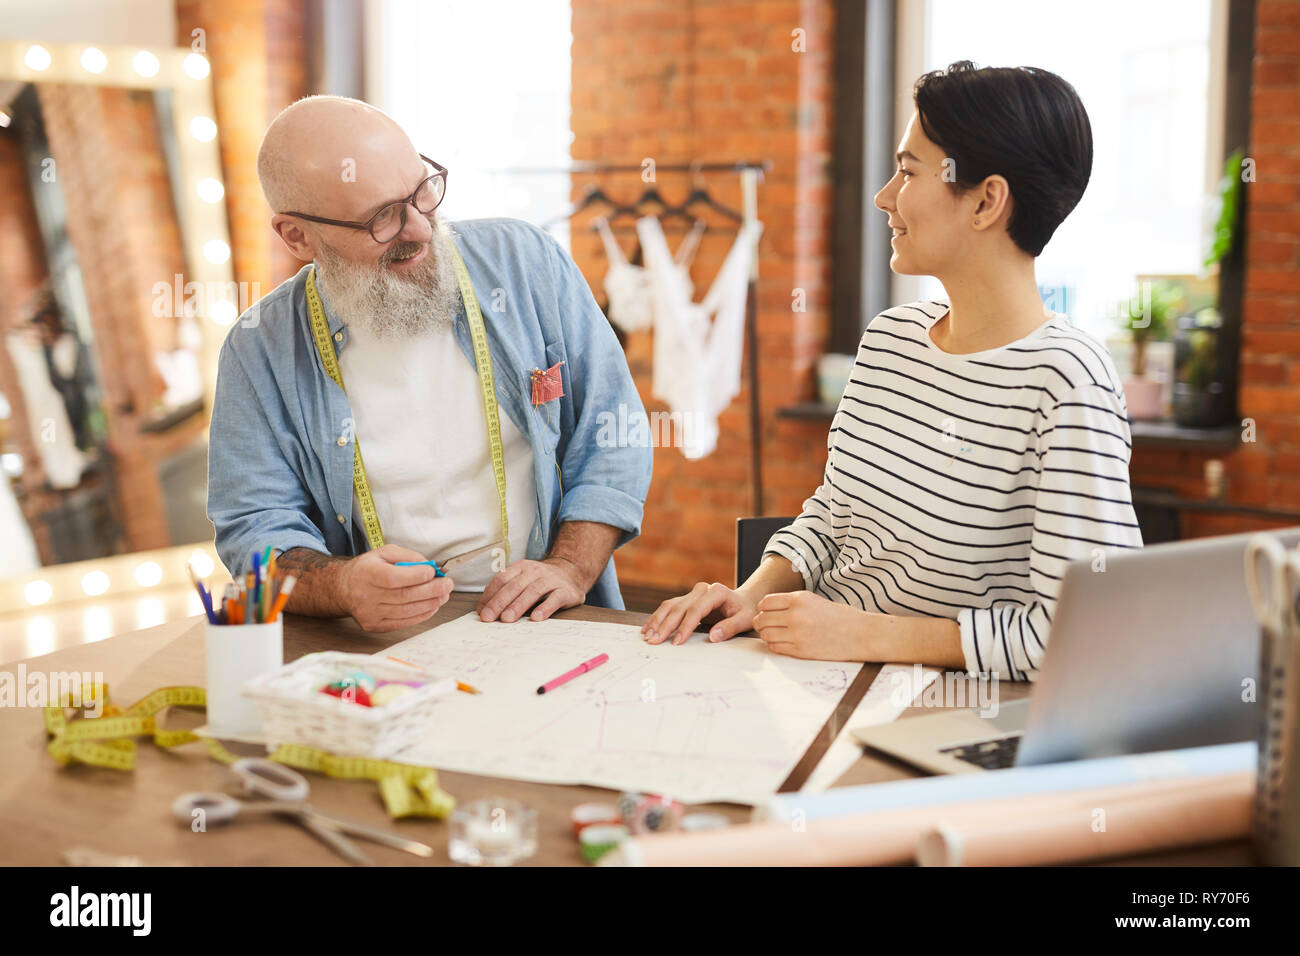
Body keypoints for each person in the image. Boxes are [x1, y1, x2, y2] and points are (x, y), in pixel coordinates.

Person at [644, 61, 1143, 681]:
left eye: (908, 172)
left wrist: (868, 634)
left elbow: (1087, 634)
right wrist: (751, 593)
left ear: (986, 201)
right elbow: (835, 512)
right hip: (821, 679)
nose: (884, 197)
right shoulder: (890, 339)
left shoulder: (1068, 382)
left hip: (946, 711)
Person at [207, 96, 651, 633]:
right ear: (298, 236)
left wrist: (571, 566)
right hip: (377, 637)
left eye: (421, 191)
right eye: (381, 218)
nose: (419, 229)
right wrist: (343, 585)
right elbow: (253, 528)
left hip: (549, 614)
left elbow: (612, 427)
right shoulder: (259, 350)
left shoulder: (527, 263)